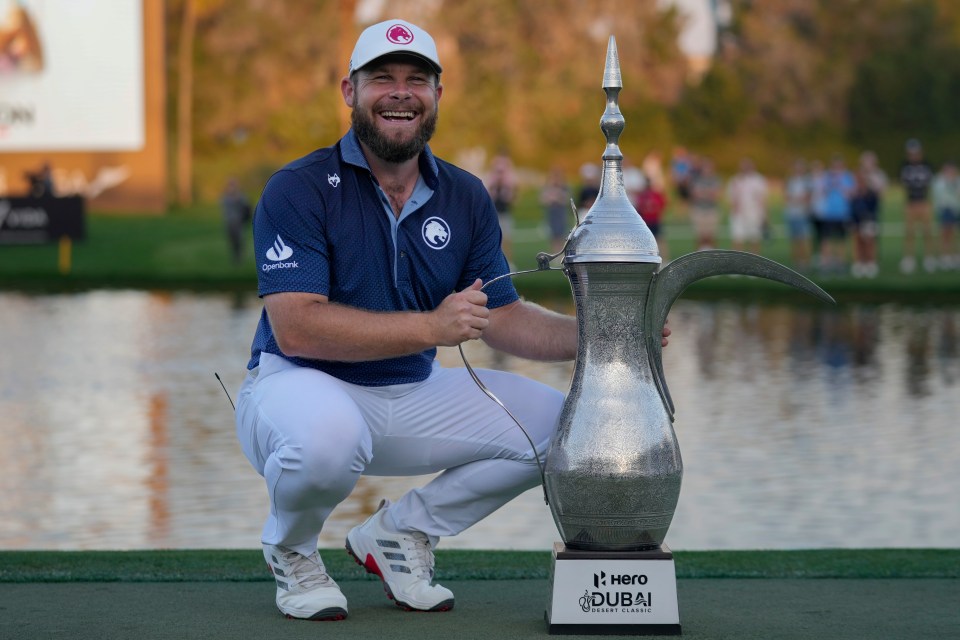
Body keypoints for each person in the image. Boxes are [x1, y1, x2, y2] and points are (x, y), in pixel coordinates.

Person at [235, 18, 668, 622]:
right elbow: (298, 327)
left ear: (437, 95)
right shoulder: (299, 188)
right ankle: (293, 550)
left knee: (564, 431)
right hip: (297, 386)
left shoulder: (464, 195)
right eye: (380, 78)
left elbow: (504, 316)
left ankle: (400, 533)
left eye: (417, 79)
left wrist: (610, 339)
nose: (400, 92)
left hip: (410, 389)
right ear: (349, 91)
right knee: (327, 440)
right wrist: (432, 329)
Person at [898, 139, 936, 273]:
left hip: (924, 202)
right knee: (909, 233)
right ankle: (909, 259)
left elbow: (930, 184)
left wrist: (928, 202)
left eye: (916, 153)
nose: (913, 156)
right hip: (911, 202)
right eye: (911, 153)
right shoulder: (905, 166)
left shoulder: (927, 165)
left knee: (927, 232)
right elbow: (903, 185)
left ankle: (929, 258)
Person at [817, 155, 855, 274]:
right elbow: (821, 191)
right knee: (826, 239)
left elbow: (852, 193)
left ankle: (840, 263)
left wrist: (841, 186)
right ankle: (826, 264)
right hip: (828, 213)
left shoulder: (847, 177)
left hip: (842, 213)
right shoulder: (827, 177)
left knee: (841, 239)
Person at [725, 158, 768, 254]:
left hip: (754, 214)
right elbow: (731, 198)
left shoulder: (758, 180)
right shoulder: (735, 180)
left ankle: (754, 266)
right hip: (739, 215)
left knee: (754, 240)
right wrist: (734, 210)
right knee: (737, 240)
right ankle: (737, 266)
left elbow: (763, 199)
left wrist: (764, 216)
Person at [484, 149, 517, 263]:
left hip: (504, 213)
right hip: (494, 214)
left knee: (507, 239)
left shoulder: (507, 186)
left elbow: (511, 200)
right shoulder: (492, 185)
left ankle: (509, 262)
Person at [783, 159, 812, 270]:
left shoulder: (807, 181)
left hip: (803, 214)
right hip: (791, 214)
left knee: (804, 239)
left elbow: (807, 198)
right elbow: (786, 197)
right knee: (794, 239)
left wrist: (795, 199)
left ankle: (806, 263)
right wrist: (797, 199)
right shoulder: (790, 181)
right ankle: (797, 262)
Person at [931, 160, 960, 270]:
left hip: (956, 210)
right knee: (946, 234)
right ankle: (945, 257)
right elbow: (941, 195)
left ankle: (956, 256)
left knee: (955, 234)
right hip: (945, 209)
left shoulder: (957, 180)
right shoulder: (939, 181)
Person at [688, 157, 721, 250]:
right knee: (699, 237)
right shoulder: (696, 179)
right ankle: (698, 258)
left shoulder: (715, 179)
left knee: (712, 236)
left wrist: (703, 193)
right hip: (699, 210)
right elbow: (695, 194)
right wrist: (708, 193)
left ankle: (715, 258)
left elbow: (716, 195)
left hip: (711, 210)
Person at [636, 172, 668, 260]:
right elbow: (663, 205)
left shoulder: (643, 195)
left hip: (649, 220)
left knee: (656, 240)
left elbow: (639, 207)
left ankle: (661, 257)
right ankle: (663, 258)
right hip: (651, 220)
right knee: (658, 240)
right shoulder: (654, 194)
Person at [540, 165, 572, 254]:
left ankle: (561, 252)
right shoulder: (547, 187)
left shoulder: (564, 187)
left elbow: (567, 200)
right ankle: (554, 253)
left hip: (561, 213)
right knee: (553, 234)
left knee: (562, 233)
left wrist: (557, 197)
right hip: (552, 213)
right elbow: (543, 200)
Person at [220, 177, 252, 264]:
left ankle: (240, 257)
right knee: (232, 240)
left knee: (239, 240)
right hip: (229, 222)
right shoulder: (226, 197)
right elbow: (224, 207)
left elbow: (247, 207)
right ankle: (234, 257)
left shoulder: (241, 196)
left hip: (238, 222)